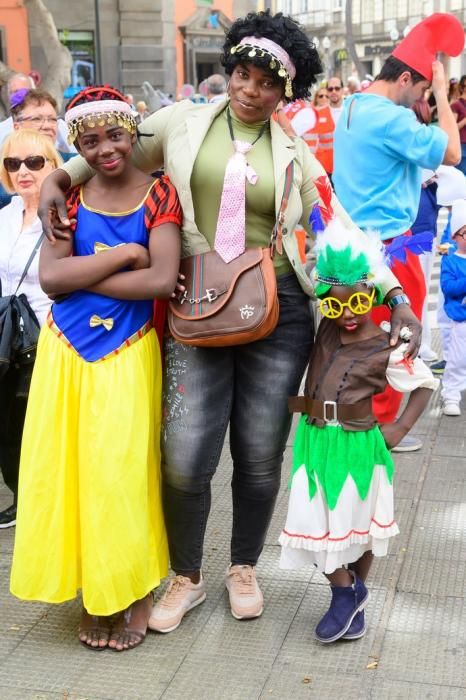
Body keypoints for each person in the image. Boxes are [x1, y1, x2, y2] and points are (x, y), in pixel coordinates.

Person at [37, 10, 420, 634]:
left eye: (267, 83)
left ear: (285, 91)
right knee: (185, 453)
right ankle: (186, 576)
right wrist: (57, 178)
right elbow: (116, 144)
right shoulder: (183, 121)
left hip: (280, 308)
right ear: (229, 70)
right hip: (197, 301)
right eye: (241, 74)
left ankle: (244, 566)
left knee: (261, 451)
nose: (249, 89)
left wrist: (392, 291)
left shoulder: (296, 149)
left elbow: (334, 224)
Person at [10, 86, 182, 651]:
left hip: (126, 351)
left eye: (114, 135)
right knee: (70, 472)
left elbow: (160, 281)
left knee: (120, 473)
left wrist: (87, 270)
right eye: (90, 139)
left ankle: (132, 593)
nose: (105, 148)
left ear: (132, 132)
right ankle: (92, 592)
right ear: (76, 143)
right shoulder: (71, 197)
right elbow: (51, 280)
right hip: (65, 353)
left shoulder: (160, 195)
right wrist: (126, 255)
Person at [280, 212, 438, 643]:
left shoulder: (387, 342)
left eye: (356, 302)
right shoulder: (324, 328)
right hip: (314, 443)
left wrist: (401, 428)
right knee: (315, 523)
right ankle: (345, 591)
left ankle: (350, 594)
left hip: (360, 447)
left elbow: (425, 384)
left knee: (363, 522)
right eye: (334, 303)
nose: (346, 314)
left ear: (371, 292)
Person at [333, 12, 463, 452]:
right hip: (394, 247)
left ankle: (361, 420)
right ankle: (381, 429)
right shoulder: (391, 118)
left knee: (364, 336)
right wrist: (444, 98)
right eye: (422, 90)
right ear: (406, 77)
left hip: (355, 246)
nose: (420, 100)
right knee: (396, 337)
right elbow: (451, 150)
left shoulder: (352, 105)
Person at [0, 129, 62, 528]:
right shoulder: (4, 216)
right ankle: (22, 496)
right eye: (13, 163)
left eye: (34, 162)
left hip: (51, 338)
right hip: (7, 337)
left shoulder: (65, 216)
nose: (23, 171)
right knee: (8, 427)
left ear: (53, 166)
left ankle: (46, 504)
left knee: (41, 427)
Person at [411, 98, 441, 363]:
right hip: (402, 227)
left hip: (424, 224)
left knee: (420, 286)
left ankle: (421, 343)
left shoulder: (428, 146)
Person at [440, 198, 466, 416]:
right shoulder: (451, 260)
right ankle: (451, 394)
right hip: (461, 320)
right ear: (456, 236)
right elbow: (449, 289)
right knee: (458, 359)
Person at [450, 74, 466, 176]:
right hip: (461, 145)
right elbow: (452, 128)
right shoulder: (456, 105)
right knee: (462, 176)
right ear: (462, 88)